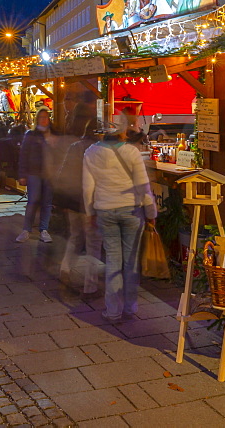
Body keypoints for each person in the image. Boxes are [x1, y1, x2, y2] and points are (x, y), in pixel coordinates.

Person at [82, 124, 157, 323]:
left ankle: (113, 311)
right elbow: (143, 186)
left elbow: (88, 186)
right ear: (120, 135)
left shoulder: (90, 152)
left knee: (113, 260)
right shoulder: (132, 152)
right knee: (131, 261)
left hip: (105, 211)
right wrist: (151, 212)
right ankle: (130, 307)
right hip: (132, 211)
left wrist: (90, 211)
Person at [54, 106, 102, 295]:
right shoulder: (97, 150)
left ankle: (65, 269)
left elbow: (62, 173)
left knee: (75, 237)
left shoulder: (74, 147)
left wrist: (62, 199)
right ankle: (90, 286)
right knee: (93, 243)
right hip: (89, 203)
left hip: (73, 200)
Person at [17, 108, 59, 243]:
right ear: (37, 119)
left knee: (47, 203)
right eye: (41, 117)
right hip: (34, 172)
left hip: (49, 174)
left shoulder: (53, 134)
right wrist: (22, 174)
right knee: (32, 201)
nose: (44, 120)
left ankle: (43, 230)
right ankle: (26, 229)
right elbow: (24, 154)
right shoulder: (31, 134)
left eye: (46, 117)